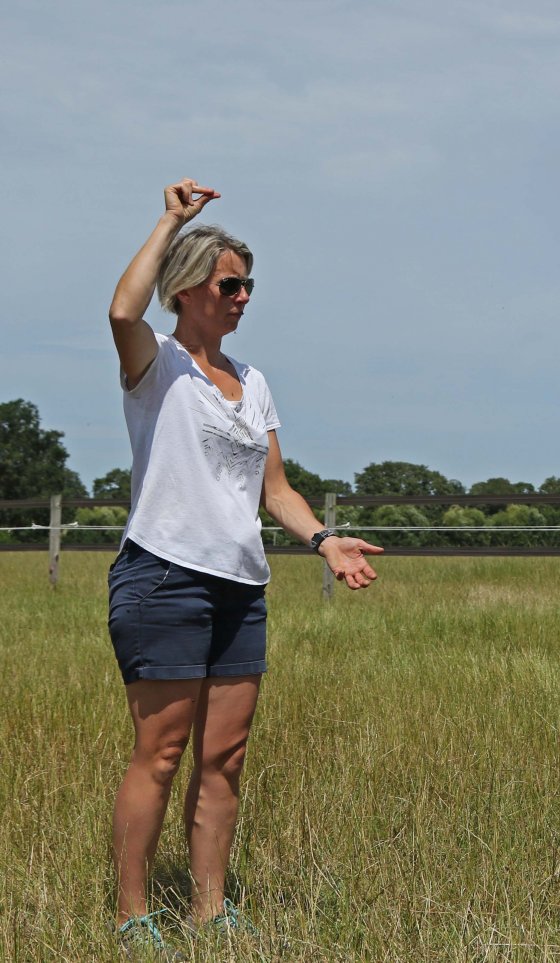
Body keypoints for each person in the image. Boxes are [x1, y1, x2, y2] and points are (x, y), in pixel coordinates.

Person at [106, 179, 382, 954]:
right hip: (163, 576)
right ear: (188, 287)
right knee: (161, 755)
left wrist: (325, 539)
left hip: (240, 587)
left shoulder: (253, 382)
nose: (244, 297)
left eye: (248, 285)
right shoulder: (156, 363)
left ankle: (211, 910)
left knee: (223, 759)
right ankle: (133, 918)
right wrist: (170, 220)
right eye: (230, 285)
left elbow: (276, 489)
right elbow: (122, 311)